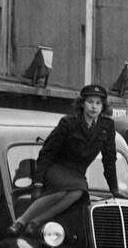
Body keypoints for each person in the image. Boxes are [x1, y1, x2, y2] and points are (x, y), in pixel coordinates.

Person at [8, 83, 119, 235]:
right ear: (82, 104)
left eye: (98, 103)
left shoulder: (107, 126)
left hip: (77, 174)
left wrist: (114, 189)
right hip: (56, 168)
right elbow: (47, 152)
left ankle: (36, 221)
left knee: (78, 193)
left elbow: (109, 159)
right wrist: (38, 183)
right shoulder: (68, 123)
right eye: (90, 102)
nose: (94, 107)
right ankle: (20, 221)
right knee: (62, 191)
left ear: (103, 106)